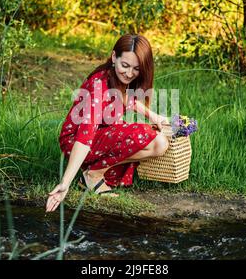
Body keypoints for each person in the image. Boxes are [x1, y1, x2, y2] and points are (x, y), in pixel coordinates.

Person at [46, 34, 170, 212]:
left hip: (101, 134)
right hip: (76, 141)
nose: (129, 74)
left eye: (136, 68)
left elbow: (126, 99)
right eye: (125, 65)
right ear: (114, 57)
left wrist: (154, 116)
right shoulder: (98, 85)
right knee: (154, 139)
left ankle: (95, 172)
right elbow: (84, 137)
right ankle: (92, 174)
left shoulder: (116, 78)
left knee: (158, 142)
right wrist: (64, 183)